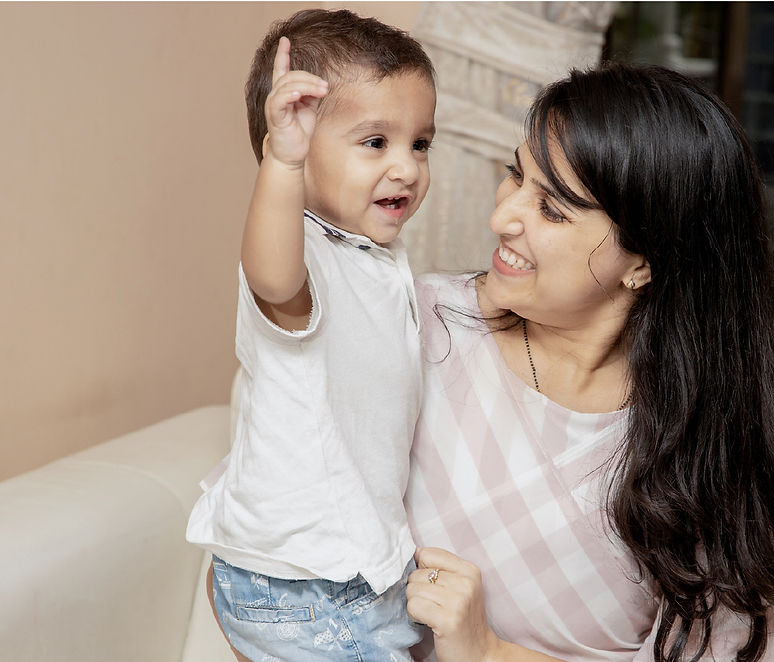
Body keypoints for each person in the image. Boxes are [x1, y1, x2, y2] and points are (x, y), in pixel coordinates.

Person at [400, 63, 774, 662]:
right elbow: (263, 550)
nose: (502, 217)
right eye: (515, 175)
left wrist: (489, 653)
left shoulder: (709, 450)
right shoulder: (418, 326)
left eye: (553, 209)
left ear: (646, 258)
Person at [185, 9, 436, 661]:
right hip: (301, 585)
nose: (407, 168)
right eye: (375, 142)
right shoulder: (306, 256)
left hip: (347, 571)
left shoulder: (375, 258)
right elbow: (272, 279)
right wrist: (281, 163)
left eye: (420, 143)